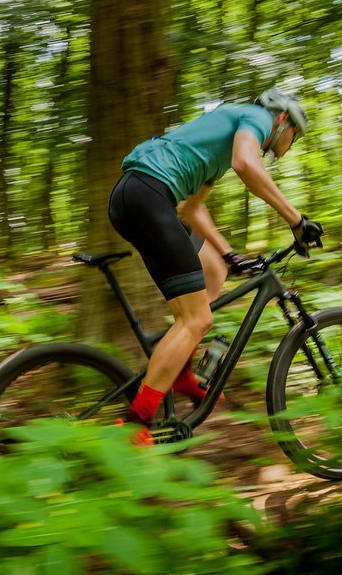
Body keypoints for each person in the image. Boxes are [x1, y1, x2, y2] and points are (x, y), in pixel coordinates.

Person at [107, 87, 324, 442]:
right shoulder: (256, 118)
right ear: (282, 120)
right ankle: (135, 426)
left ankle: (181, 372)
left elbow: (191, 208)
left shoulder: (219, 143)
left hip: (136, 195)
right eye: (293, 136)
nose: (289, 145)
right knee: (197, 319)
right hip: (149, 195)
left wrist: (227, 252)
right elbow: (246, 164)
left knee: (213, 269)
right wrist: (296, 220)